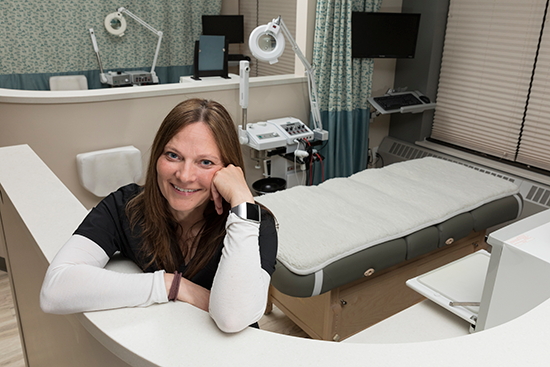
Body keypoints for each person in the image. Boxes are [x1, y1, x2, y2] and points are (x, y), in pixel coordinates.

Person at [40, 98, 278, 333]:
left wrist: (241, 198)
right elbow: (55, 289)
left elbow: (232, 318)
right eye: (173, 155)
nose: (184, 175)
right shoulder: (127, 207)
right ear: (157, 157)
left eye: (205, 162)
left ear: (228, 170)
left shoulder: (255, 225)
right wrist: (171, 285)